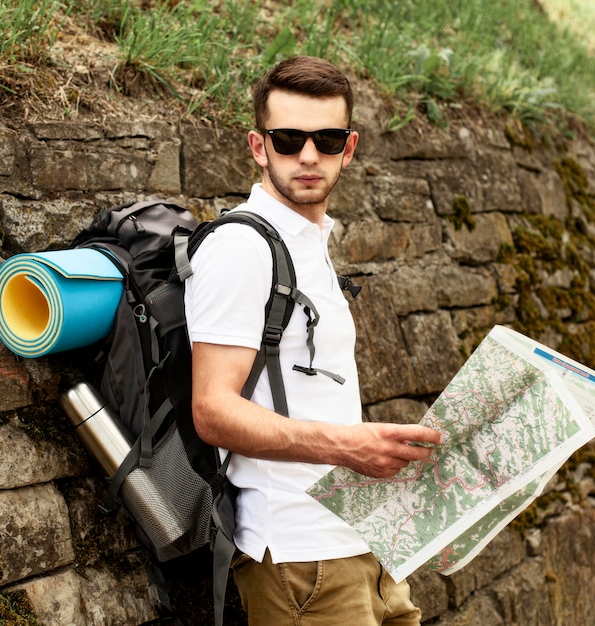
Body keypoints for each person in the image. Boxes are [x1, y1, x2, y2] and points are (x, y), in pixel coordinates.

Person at [184, 56, 444, 626]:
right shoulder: (240, 249)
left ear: (348, 149)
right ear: (258, 146)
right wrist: (346, 447)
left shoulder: (309, 242)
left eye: (326, 139)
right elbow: (213, 410)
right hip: (299, 560)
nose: (308, 155)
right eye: (288, 138)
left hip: (360, 540)